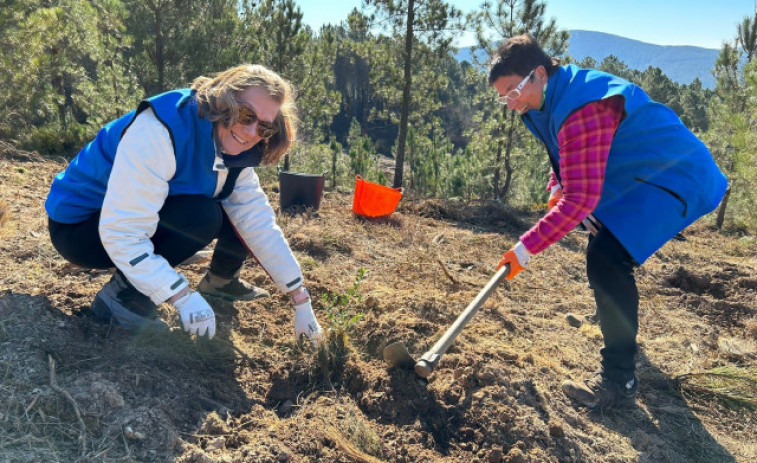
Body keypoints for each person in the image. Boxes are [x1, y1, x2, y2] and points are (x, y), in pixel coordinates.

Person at [488, 34, 727, 410]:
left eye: (512, 91)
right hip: (634, 171)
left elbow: (581, 198)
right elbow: (562, 156)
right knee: (598, 234)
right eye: (503, 96)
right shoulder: (545, 99)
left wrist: (523, 249)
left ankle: (620, 382)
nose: (510, 102)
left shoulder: (582, 107)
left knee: (607, 258)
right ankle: (613, 313)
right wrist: (556, 188)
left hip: (674, 176)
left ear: (537, 73)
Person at [45, 64, 323, 345]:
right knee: (201, 215)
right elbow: (122, 232)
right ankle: (123, 298)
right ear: (223, 101)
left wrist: (300, 298)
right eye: (246, 114)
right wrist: (180, 294)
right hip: (80, 227)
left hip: (123, 220)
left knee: (232, 208)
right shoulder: (160, 130)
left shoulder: (234, 150)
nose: (252, 132)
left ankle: (220, 281)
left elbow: (257, 222)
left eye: (265, 126)